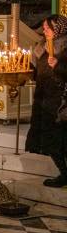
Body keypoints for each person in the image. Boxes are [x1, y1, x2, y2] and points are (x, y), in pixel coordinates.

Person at [26, 15, 67, 187]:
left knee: (59, 139)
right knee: (49, 140)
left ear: (58, 29)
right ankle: (64, 173)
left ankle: (65, 174)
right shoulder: (41, 47)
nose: (45, 31)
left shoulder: (65, 48)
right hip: (43, 97)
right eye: (44, 28)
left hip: (60, 99)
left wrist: (57, 65)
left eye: (48, 28)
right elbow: (36, 71)